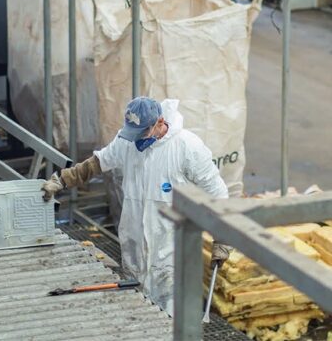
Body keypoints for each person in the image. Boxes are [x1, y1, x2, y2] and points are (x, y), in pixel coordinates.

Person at [42, 97, 231, 315]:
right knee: (137, 313)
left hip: (171, 254)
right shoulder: (127, 141)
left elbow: (218, 193)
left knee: (170, 318)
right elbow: (96, 163)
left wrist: (223, 238)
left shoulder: (186, 147)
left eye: (142, 132)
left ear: (159, 123)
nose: (136, 139)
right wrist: (61, 180)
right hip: (134, 250)